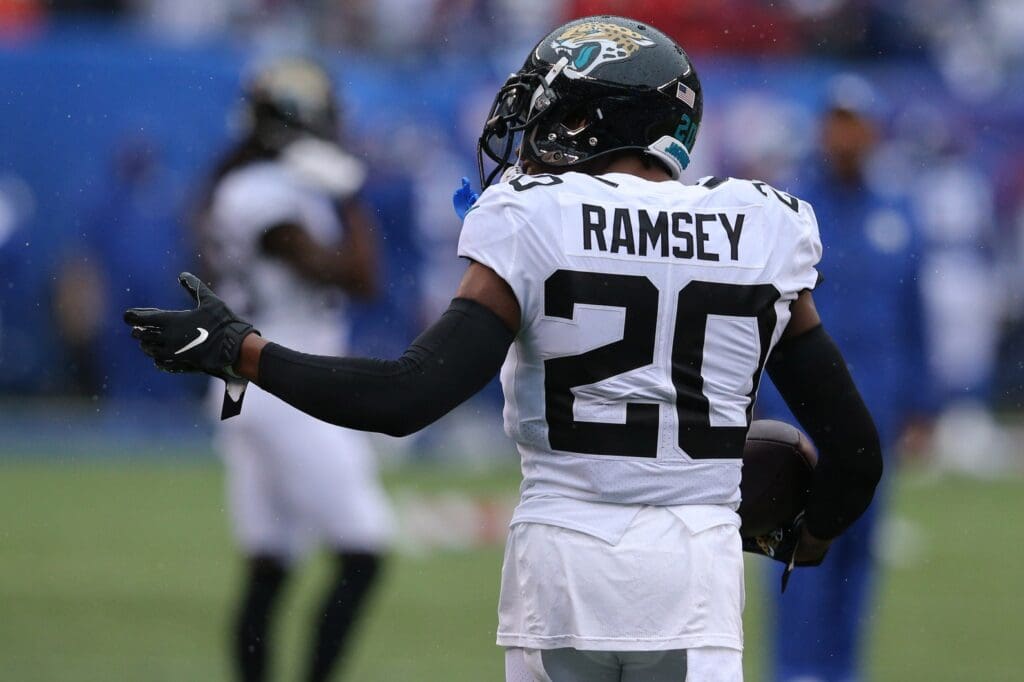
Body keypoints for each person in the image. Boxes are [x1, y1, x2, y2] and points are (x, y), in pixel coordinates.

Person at [126, 17, 882, 681]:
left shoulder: (533, 216)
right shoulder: (758, 225)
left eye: (559, 111)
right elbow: (854, 455)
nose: (539, 131)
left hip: (559, 567)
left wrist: (242, 350)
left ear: (605, 120)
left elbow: (404, 397)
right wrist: (808, 539)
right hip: (692, 573)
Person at [193, 58, 394, 682]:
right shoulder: (263, 193)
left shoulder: (243, 185)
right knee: (364, 548)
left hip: (253, 383)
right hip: (286, 382)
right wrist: (352, 197)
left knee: (270, 563)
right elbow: (354, 277)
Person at [755, 80, 932, 682]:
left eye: (856, 122)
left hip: (875, 411)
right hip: (799, 414)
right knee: (797, 550)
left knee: (859, 555)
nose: (846, 134)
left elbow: (914, 314)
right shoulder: (792, 213)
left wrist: (921, 402)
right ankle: (796, 672)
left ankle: (842, 672)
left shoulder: (898, 211)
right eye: (836, 121)